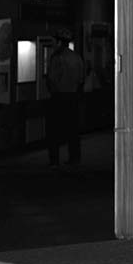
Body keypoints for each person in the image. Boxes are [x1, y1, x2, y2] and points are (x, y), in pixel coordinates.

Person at [45, 28, 85, 167]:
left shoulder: (56, 58)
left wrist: (51, 91)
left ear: (59, 42)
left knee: (53, 131)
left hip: (59, 97)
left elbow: (52, 79)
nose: (52, 44)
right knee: (73, 130)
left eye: (54, 41)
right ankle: (74, 158)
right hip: (73, 97)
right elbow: (81, 79)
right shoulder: (76, 57)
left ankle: (54, 161)